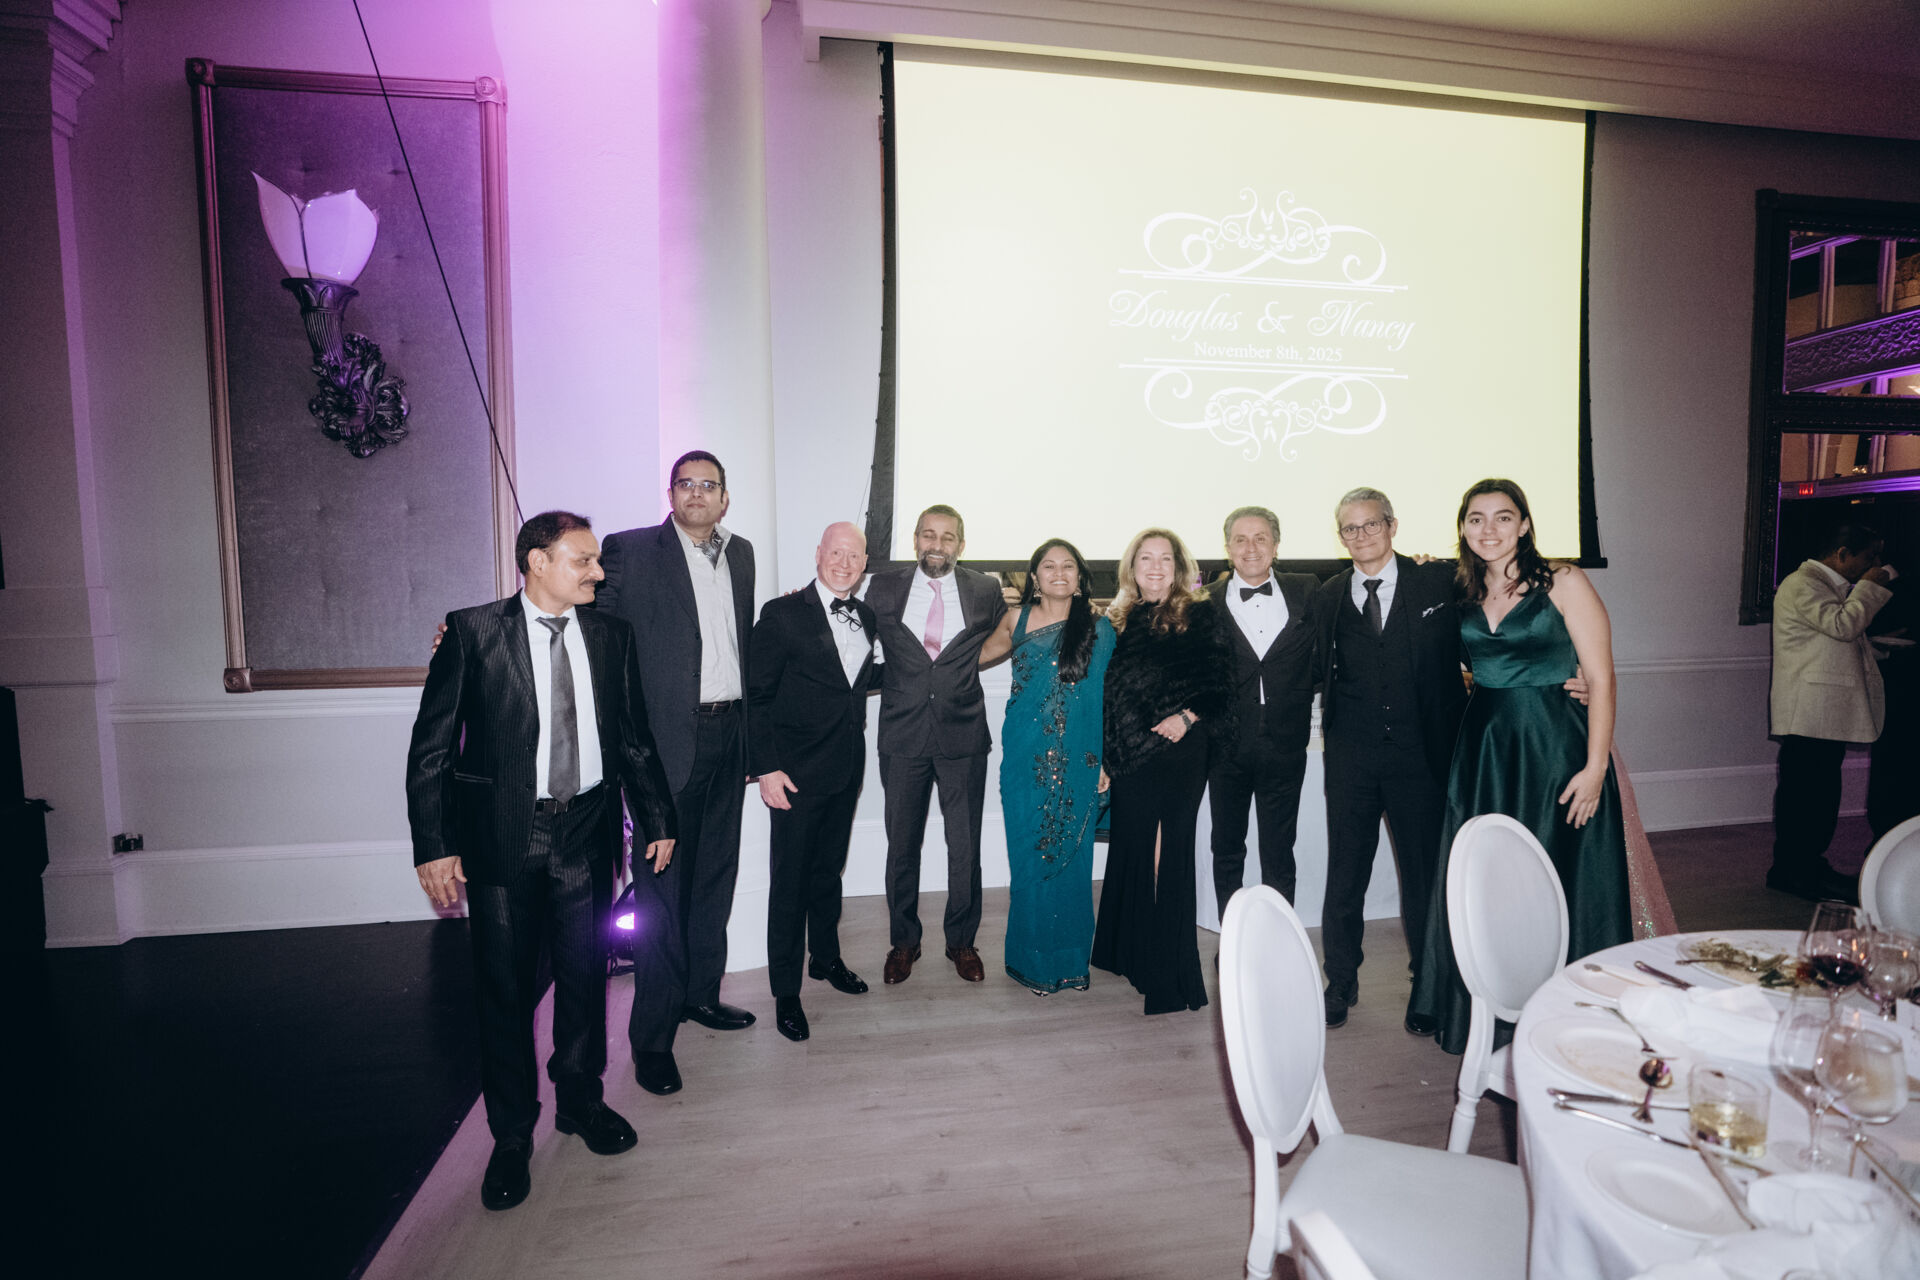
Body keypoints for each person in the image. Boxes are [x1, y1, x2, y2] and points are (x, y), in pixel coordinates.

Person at [406, 511, 676, 1211]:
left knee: (585, 976)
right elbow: (432, 749)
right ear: (537, 562)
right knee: (504, 989)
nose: (598, 573)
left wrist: (657, 817)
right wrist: (434, 844)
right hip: (504, 837)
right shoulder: (472, 632)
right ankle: (511, 1135)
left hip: (586, 831)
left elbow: (634, 736)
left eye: (597, 561)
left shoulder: (612, 636)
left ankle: (580, 1101)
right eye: (583, 561)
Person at [1407, 479, 1634, 1055]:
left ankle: (1569, 1016)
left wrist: (1596, 767)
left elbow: (1602, 677)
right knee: (1490, 885)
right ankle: (1491, 1014)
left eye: (1503, 517)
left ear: (1525, 524)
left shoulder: (1564, 581)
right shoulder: (1461, 591)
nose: (1489, 530)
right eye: (1476, 519)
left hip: (1555, 750)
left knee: (1562, 876)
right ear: (1463, 528)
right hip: (1485, 753)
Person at [597, 450, 756, 1097]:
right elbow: (584, 617)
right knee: (661, 896)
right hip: (663, 747)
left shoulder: (742, 554)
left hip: (729, 737)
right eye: (685, 483)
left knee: (714, 878)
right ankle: (653, 1040)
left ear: (724, 498)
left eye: (708, 485)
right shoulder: (631, 551)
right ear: (670, 494)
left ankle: (699, 996)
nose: (696, 493)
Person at [1311, 487, 1467, 1034]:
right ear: (1341, 536)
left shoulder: (1438, 582)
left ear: (1393, 525)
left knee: (1423, 876)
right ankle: (1341, 981)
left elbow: (1488, 641)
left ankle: (1427, 984)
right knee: (1344, 874)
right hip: (1351, 759)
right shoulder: (1328, 595)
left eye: (1371, 524)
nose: (1361, 536)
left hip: (1420, 757)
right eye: (1350, 528)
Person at [746, 522, 882, 1042]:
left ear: (865, 564)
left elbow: (854, 682)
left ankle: (825, 958)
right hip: (795, 775)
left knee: (828, 872)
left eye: (855, 556)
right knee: (790, 884)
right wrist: (766, 768)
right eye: (836, 553)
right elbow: (757, 697)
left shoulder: (866, 616)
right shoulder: (782, 614)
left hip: (846, 768)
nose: (845, 563)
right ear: (818, 555)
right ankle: (786, 991)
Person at [867, 505, 1009, 984]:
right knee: (901, 847)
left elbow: (1011, 632)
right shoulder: (882, 587)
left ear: (961, 546)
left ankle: (961, 942)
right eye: (929, 535)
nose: (937, 545)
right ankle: (904, 942)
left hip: (963, 735)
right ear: (915, 540)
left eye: (948, 537)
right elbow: (851, 632)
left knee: (964, 847)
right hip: (901, 735)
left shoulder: (985, 589)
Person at [1092, 528, 1232, 1015]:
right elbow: (1107, 697)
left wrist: (1186, 718)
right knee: (1131, 850)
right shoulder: (1116, 620)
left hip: (1179, 752)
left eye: (1165, 559)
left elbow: (1221, 683)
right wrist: (1107, 758)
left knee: (1164, 856)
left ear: (1179, 568)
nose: (1155, 567)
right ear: (1131, 568)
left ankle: (1168, 973)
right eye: (1145, 559)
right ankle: (1132, 956)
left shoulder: (1200, 614)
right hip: (1129, 757)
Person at [978, 538, 1117, 995]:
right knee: (1030, 863)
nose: (1059, 573)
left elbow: (1109, 699)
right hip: (1025, 761)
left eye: (1068, 566)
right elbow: (967, 659)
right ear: (1034, 577)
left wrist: (1107, 759)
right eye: (1049, 566)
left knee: (1073, 865)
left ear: (1080, 577)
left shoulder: (1100, 629)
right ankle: (1032, 963)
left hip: (1081, 761)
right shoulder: (1015, 620)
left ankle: (1072, 964)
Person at [1768, 523, 1895, 901]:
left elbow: (1828, 642)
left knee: (1819, 794)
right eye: (1868, 556)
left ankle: (1805, 865)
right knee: (1806, 796)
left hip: (1821, 713)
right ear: (1842, 554)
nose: (1874, 564)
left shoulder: (1824, 586)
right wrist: (1871, 587)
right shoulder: (1802, 583)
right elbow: (1842, 625)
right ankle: (1794, 871)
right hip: (1809, 713)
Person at [1207, 506, 1319, 913]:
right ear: (1227, 548)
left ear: (1276, 545)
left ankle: (1279, 934)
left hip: (1286, 743)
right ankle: (1233, 931)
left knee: (1279, 848)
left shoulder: (1309, 590)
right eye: (1240, 539)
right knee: (1227, 846)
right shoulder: (1204, 601)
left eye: (1260, 538)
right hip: (1225, 746)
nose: (1250, 547)